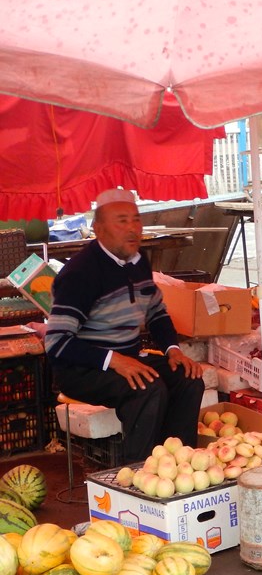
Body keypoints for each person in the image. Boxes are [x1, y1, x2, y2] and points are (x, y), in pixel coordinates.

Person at [45, 188, 205, 463]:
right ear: (98, 229)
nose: (133, 228)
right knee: (147, 389)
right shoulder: (80, 273)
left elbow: (157, 312)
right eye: (122, 221)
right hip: (83, 370)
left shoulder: (138, 262)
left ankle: (177, 463)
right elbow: (56, 342)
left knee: (188, 379)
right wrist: (113, 360)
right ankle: (138, 475)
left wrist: (172, 350)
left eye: (136, 219)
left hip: (127, 360)